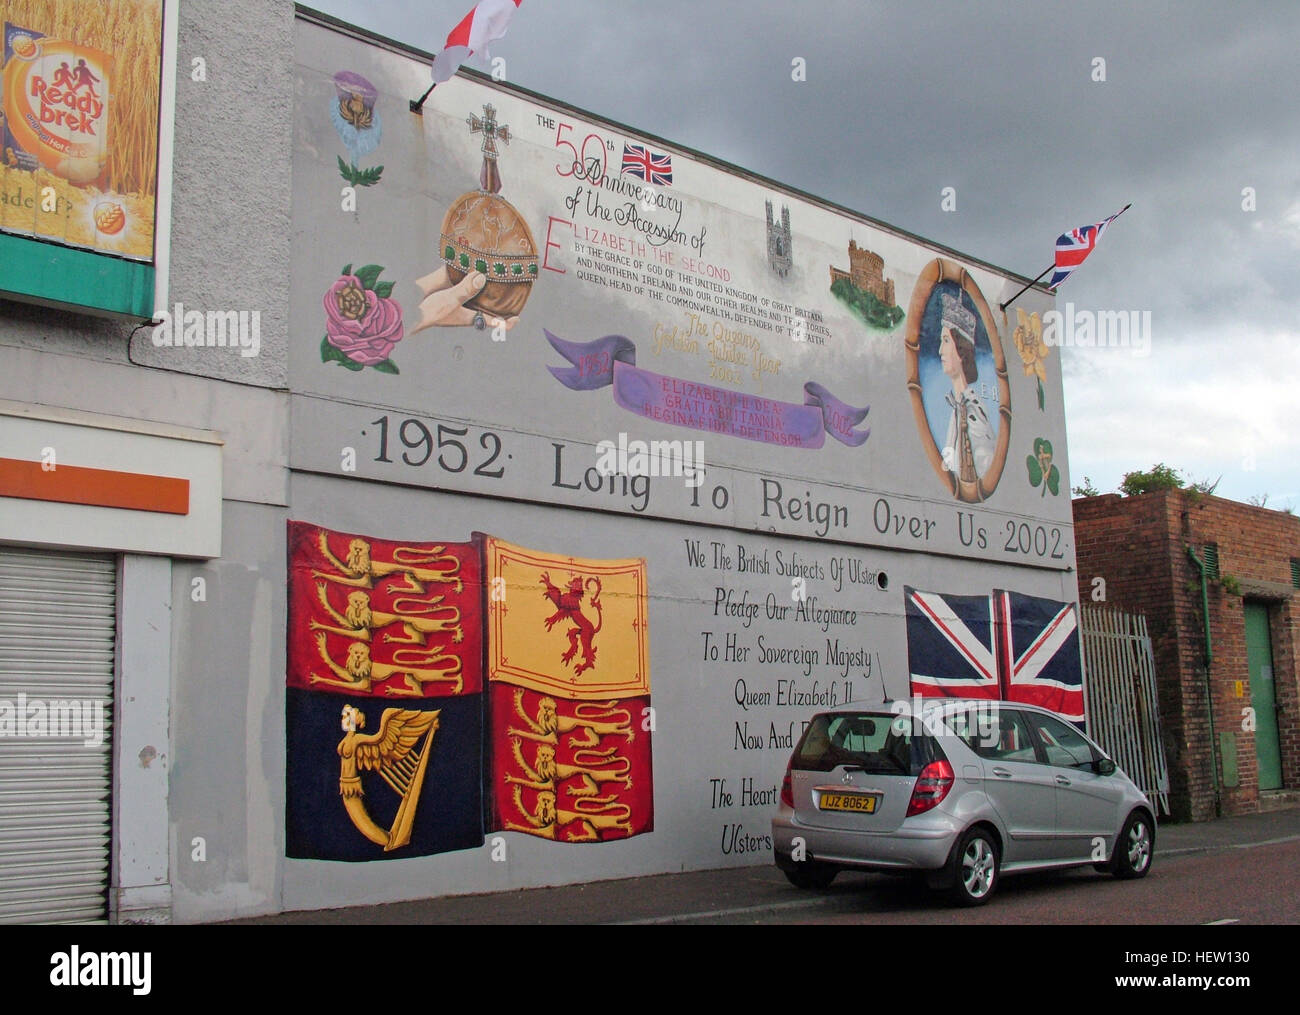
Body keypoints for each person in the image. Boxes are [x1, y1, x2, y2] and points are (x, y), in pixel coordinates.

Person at [937, 294, 995, 483]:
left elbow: (985, 467)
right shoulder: (956, 406)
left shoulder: (972, 410)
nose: (940, 351)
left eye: (946, 341)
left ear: (961, 350)